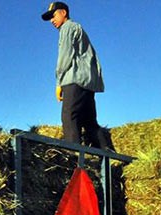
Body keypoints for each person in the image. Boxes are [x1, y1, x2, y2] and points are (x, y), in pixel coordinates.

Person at [42, 2, 114, 150]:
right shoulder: (79, 29)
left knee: (69, 117)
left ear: (63, 12)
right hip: (87, 83)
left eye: (53, 15)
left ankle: (73, 157)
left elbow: (65, 56)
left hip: (74, 81)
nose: (51, 20)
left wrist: (58, 82)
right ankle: (107, 154)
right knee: (89, 122)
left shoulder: (67, 28)